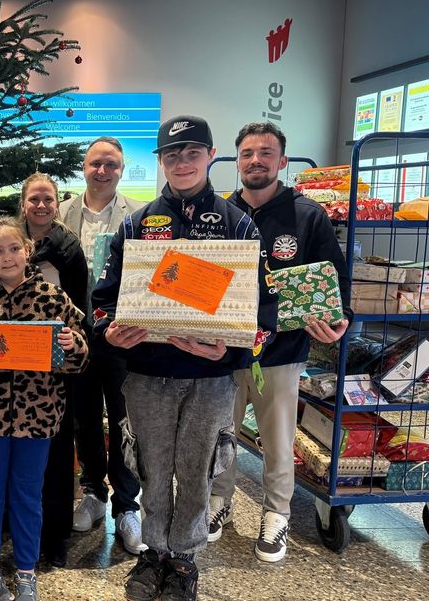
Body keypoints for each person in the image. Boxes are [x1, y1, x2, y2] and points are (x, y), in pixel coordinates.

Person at [92, 115, 277, 601]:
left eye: (192, 152)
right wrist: (111, 332)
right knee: (150, 466)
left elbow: (265, 311)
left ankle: (185, 558)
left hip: (210, 378)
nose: (181, 162)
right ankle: (154, 552)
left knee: (198, 469)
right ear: (160, 161)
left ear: (211, 156)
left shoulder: (239, 224)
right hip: (148, 373)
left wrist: (233, 347)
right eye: (171, 155)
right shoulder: (135, 223)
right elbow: (102, 301)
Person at [209, 122, 351, 562]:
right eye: (248, 153)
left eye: (266, 153)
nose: (256, 160)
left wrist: (339, 318)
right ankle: (219, 503)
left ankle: (277, 515)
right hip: (224, 352)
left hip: (283, 352)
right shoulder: (219, 214)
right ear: (238, 161)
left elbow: (334, 281)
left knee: (277, 440)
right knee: (221, 436)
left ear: (282, 161)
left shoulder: (308, 216)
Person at [0, 217, 88, 601]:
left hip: (37, 417)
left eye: (14, 249)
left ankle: (26, 569)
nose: (7, 257)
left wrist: (73, 346)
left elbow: (80, 356)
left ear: (28, 250)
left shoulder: (54, 298)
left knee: (27, 493)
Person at [58, 137, 146, 554]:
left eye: (111, 164)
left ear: (122, 169)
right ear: (84, 167)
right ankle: (93, 492)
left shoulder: (140, 218)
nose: (103, 171)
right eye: (96, 163)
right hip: (74, 336)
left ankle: (127, 506)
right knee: (84, 417)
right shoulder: (60, 214)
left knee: (125, 422)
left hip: (121, 336)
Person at [18, 173, 89, 566]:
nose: (41, 206)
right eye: (34, 200)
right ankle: (17, 523)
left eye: (48, 199)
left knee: (58, 451)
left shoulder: (68, 248)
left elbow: (80, 305)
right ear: (23, 204)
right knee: (20, 448)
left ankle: (55, 533)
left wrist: (70, 346)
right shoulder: (10, 242)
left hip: (53, 368)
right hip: (12, 366)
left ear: (57, 203)